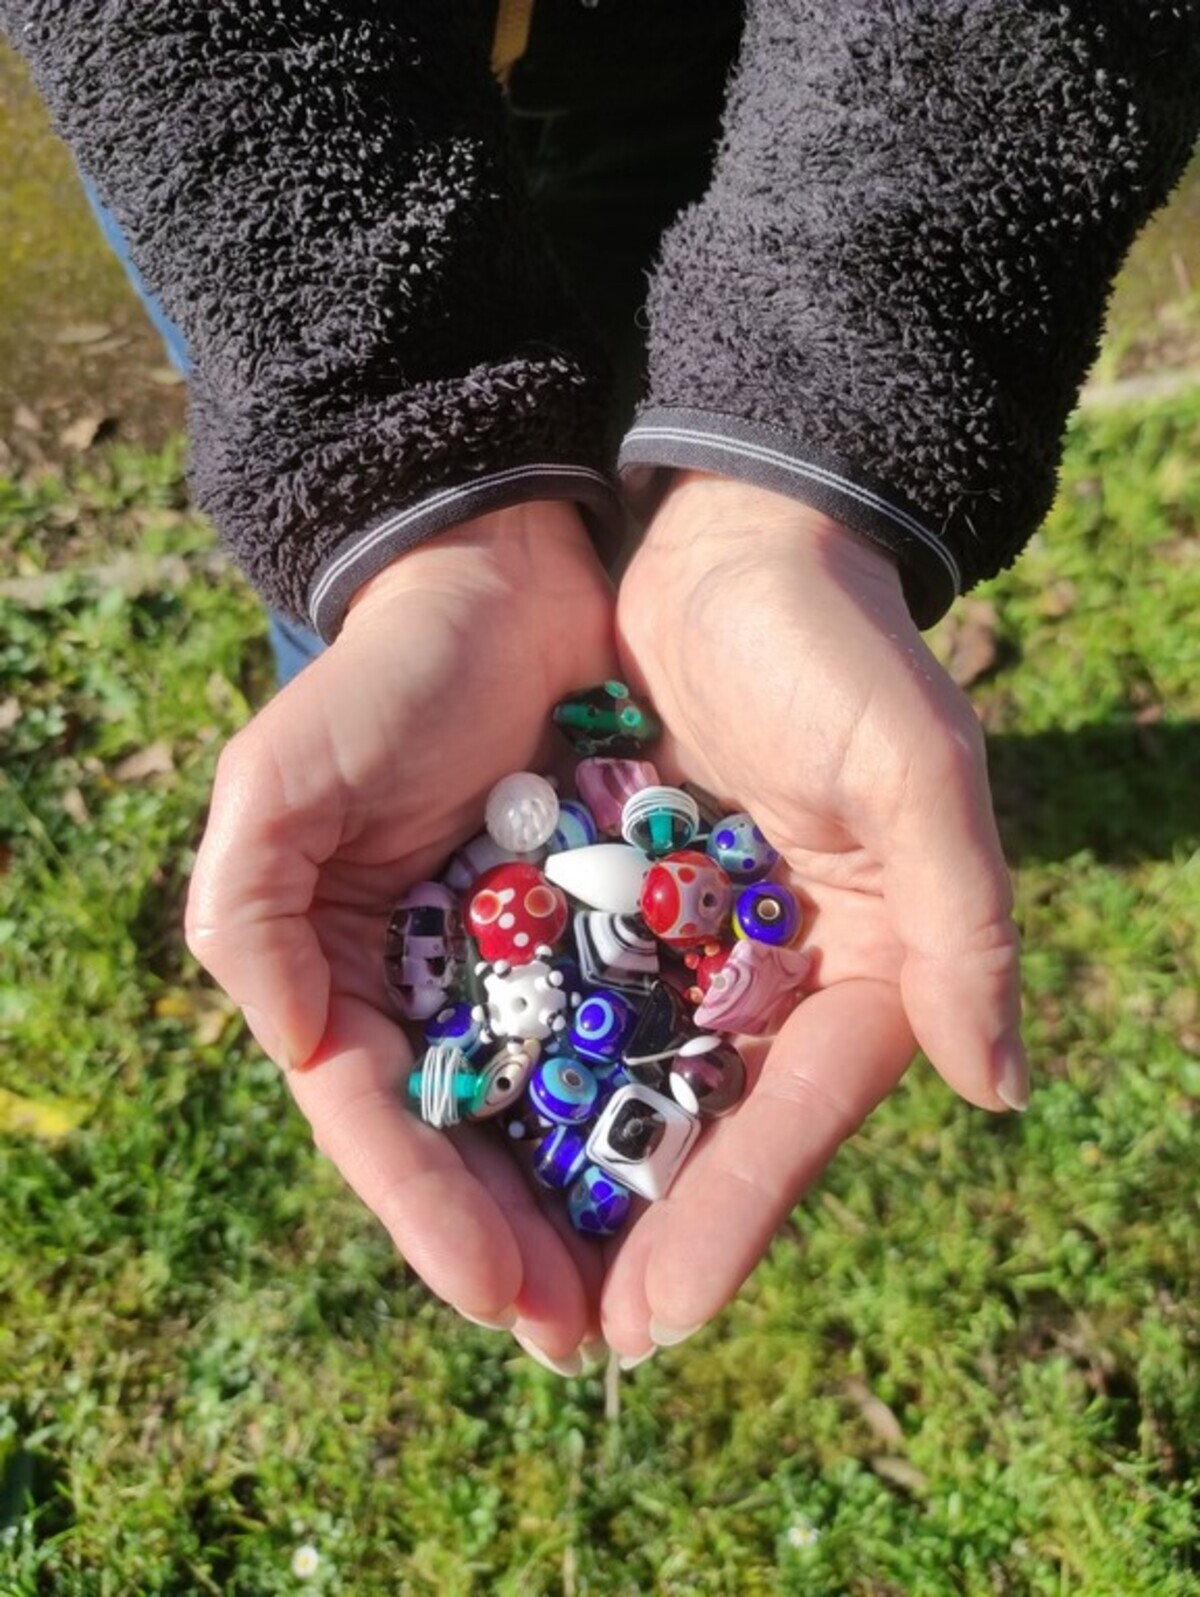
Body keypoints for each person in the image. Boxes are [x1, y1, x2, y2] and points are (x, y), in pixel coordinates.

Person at [4, 1, 1197, 1376]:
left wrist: (806, 450)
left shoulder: (616, 911)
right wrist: (402, 495)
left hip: (747, 74)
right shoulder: (554, 901)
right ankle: (392, 640)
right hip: (252, 138)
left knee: (600, 421)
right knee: (376, 647)